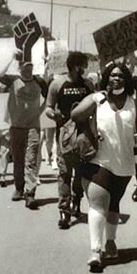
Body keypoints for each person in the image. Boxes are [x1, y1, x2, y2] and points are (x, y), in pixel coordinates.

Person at [71, 61, 137, 272]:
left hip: (123, 162)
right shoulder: (97, 99)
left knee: (114, 203)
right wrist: (94, 100)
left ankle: (111, 240)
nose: (116, 78)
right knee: (98, 202)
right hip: (97, 159)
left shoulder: (134, 103)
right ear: (106, 77)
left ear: (126, 80)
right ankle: (95, 251)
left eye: (120, 76)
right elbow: (75, 115)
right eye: (112, 75)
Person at [45, 51, 94, 228]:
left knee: (81, 174)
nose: (86, 69)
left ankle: (77, 204)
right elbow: (48, 108)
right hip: (64, 136)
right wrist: (54, 115)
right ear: (76, 67)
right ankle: (64, 212)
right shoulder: (57, 84)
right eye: (84, 66)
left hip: (84, 136)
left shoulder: (89, 85)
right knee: (64, 173)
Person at [0, 50, 49, 209]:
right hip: (16, 126)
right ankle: (19, 188)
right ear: (19, 69)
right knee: (18, 159)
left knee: (31, 159)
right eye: (25, 67)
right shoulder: (13, 80)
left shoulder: (39, 81)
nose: (28, 69)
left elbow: (49, 97)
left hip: (33, 126)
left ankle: (30, 193)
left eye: (30, 66)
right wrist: (11, 57)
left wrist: (40, 111)